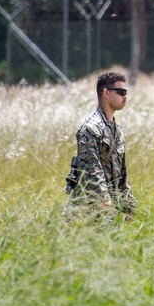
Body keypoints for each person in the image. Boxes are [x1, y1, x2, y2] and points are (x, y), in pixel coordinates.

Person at [65, 71, 135, 221]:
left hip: (111, 210)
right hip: (88, 210)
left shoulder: (118, 131)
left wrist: (128, 206)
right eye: (121, 92)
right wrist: (104, 200)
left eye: (126, 92)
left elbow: (122, 173)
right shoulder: (90, 128)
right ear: (106, 93)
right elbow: (91, 169)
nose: (125, 96)